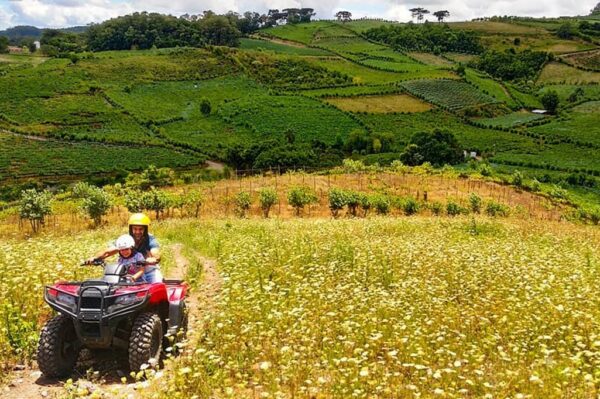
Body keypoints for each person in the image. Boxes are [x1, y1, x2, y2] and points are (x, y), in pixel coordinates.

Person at [88, 213, 163, 283]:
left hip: (148, 270)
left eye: (141, 229)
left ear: (145, 229)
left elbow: (156, 254)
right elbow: (108, 252)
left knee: (157, 285)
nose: (137, 232)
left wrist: (153, 259)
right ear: (131, 229)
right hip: (128, 274)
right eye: (135, 229)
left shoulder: (150, 239)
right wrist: (95, 258)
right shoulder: (125, 240)